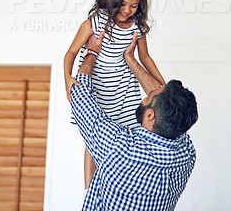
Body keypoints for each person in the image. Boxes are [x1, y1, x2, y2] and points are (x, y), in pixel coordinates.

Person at [71, 31, 198, 211]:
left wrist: (91, 53)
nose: (146, 96)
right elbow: (165, 101)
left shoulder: (119, 148)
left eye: (149, 96)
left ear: (150, 116)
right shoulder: (186, 154)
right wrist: (130, 58)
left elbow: (79, 95)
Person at [64, 0, 165, 192]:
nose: (127, 10)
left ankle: (124, 186)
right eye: (123, 4)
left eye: (134, 5)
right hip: (98, 84)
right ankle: (90, 191)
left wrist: (162, 83)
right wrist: (67, 81)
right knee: (93, 139)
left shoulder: (138, 27)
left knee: (130, 131)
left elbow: (145, 57)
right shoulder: (96, 22)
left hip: (124, 85)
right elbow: (71, 52)